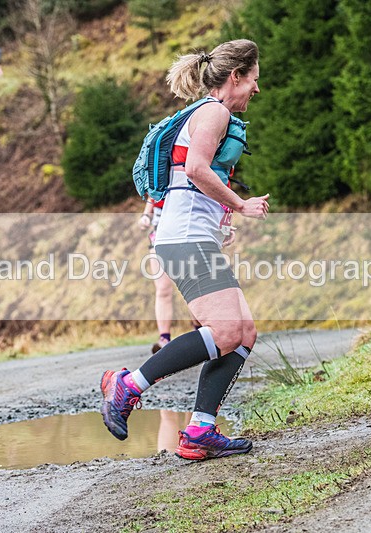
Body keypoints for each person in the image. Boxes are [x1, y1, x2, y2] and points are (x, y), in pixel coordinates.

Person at [100, 39, 269, 460]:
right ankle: (128, 385)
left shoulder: (204, 113)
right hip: (185, 239)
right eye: (253, 79)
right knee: (227, 331)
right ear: (236, 77)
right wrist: (240, 205)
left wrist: (221, 219)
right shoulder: (214, 111)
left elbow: (193, 177)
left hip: (191, 236)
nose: (256, 89)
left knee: (244, 333)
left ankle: (200, 430)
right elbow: (195, 169)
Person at [138, 196, 202, 354]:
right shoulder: (161, 170)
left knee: (193, 285)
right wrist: (146, 214)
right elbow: (154, 191)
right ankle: (164, 340)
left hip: (186, 229)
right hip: (159, 231)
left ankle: (200, 334)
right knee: (163, 289)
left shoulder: (188, 170)